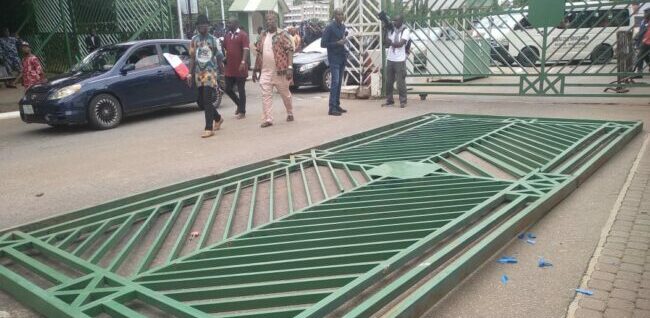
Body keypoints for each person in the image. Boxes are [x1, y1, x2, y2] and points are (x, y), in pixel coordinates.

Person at [252, 11, 294, 128]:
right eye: (267, 20)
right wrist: (255, 70)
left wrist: (290, 67)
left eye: (271, 20)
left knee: (285, 95)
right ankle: (268, 119)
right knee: (265, 95)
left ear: (276, 21)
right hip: (265, 72)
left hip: (280, 71)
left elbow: (290, 50)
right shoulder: (262, 35)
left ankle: (289, 112)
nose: (269, 22)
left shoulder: (282, 34)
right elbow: (259, 52)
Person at [187, 14, 224, 138]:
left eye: (205, 26)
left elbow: (219, 56)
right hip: (199, 73)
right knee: (203, 101)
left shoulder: (214, 40)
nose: (203, 28)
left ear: (208, 26)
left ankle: (209, 128)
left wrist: (221, 73)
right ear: (197, 27)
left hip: (210, 72)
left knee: (207, 99)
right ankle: (218, 118)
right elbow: (192, 57)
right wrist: (189, 73)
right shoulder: (194, 40)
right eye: (201, 26)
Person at [321, 8, 348, 116]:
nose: (341, 16)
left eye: (342, 14)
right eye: (338, 14)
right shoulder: (329, 27)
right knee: (335, 82)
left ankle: (337, 104)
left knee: (339, 83)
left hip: (342, 57)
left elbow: (342, 40)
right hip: (333, 58)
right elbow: (323, 44)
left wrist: (344, 41)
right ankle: (331, 108)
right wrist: (337, 43)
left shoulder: (343, 27)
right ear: (334, 15)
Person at [223, 16, 249, 119]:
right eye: (228, 23)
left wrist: (243, 61)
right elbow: (225, 47)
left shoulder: (243, 35)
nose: (228, 25)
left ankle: (242, 111)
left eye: (230, 23)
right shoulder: (227, 36)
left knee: (241, 89)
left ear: (236, 24)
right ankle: (239, 104)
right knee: (228, 89)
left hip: (240, 67)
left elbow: (246, 49)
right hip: (230, 67)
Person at [382, 15, 410, 108]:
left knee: (400, 82)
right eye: (393, 20)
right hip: (390, 58)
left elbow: (400, 44)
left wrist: (391, 43)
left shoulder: (405, 30)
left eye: (396, 21)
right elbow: (385, 42)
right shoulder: (392, 29)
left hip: (400, 60)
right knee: (388, 82)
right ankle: (389, 101)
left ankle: (403, 101)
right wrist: (385, 30)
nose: (394, 22)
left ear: (401, 21)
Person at [634, 9, 650, 76]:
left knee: (640, 56)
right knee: (645, 55)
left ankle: (639, 73)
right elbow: (641, 31)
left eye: (646, 14)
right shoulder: (645, 22)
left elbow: (646, 32)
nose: (644, 15)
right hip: (645, 41)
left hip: (647, 42)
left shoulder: (647, 22)